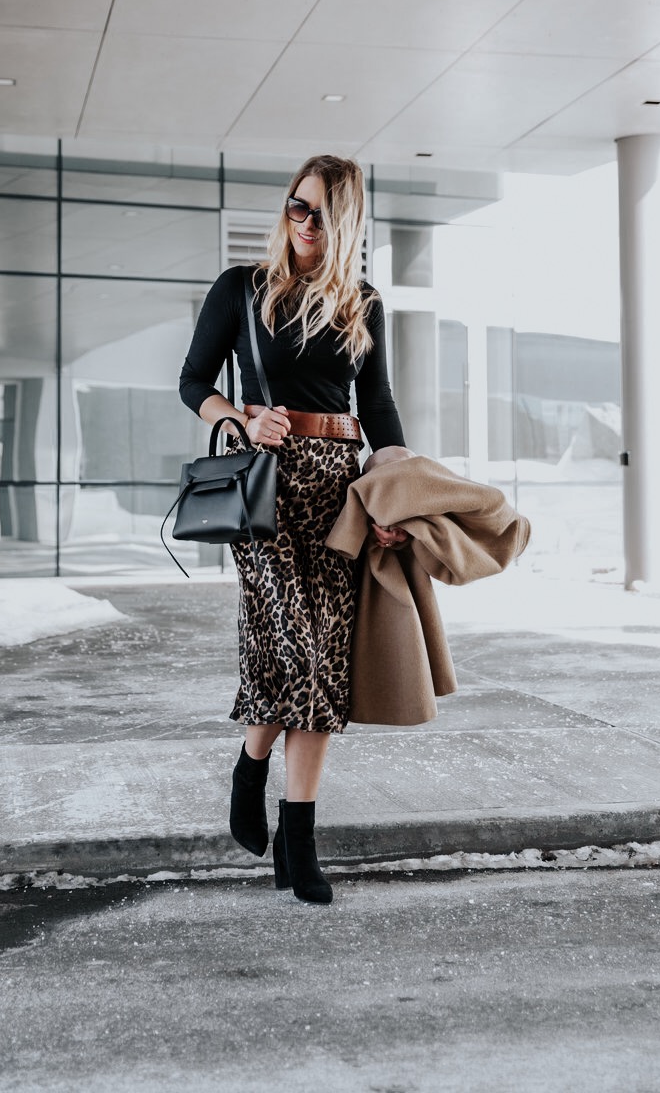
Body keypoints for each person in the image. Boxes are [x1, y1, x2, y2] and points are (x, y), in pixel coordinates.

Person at [179, 155, 408, 904]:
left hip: (339, 492)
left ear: (344, 224)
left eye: (319, 214)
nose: (303, 224)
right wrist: (241, 415)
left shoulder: (363, 302)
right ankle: (293, 834)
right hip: (267, 491)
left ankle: (261, 783)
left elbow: (377, 409)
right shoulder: (242, 287)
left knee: (313, 666)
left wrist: (392, 497)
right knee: (308, 660)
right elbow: (193, 382)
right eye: (295, 207)